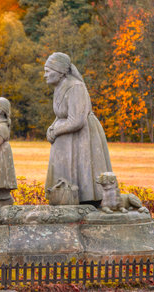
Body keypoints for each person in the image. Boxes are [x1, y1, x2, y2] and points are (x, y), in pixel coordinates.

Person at [44, 52, 112, 206]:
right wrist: (52, 126)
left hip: (83, 136)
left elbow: (77, 120)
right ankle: (63, 197)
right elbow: (61, 114)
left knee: (83, 171)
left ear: (60, 72)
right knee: (65, 175)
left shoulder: (75, 87)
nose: (45, 75)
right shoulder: (59, 86)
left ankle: (86, 200)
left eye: (48, 71)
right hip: (66, 137)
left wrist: (56, 131)